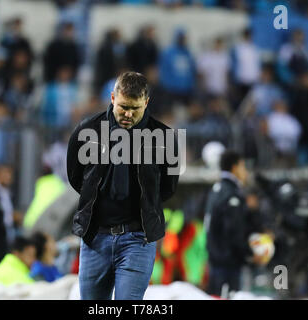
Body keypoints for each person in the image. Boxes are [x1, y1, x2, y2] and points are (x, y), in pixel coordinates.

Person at [67, 71, 180, 300]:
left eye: (135, 108)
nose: (128, 114)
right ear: (112, 98)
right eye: (123, 107)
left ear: (146, 103)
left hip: (137, 240)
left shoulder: (164, 137)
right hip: (95, 238)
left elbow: (168, 187)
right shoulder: (87, 131)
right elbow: (76, 177)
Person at [204, 150, 265, 296]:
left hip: (215, 260)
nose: (245, 172)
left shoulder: (216, 190)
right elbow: (233, 232)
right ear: (235, 167)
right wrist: (250, 254)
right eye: (243, 166)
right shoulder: (231, 194)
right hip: (228, 265)